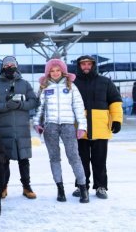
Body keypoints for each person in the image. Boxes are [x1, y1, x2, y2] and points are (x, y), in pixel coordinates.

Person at [33, 59, 89, 203]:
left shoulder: (71, 86)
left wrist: (82, 126)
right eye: (52, 71)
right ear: (48, 73)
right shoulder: (44, 87)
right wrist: (36, 123)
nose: (55, 73)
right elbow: (40, 108)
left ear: (63, 71)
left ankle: (83, 189)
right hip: (50, 126)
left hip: (68, 126)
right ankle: (60, 189)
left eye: (58, 70)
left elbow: (78, 107)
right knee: (54, 158)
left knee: (74, 157)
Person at [0, 56, 38, 199]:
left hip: (22, 130)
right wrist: (5, 106)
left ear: (17, 66)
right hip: (3, 129)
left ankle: (26, 187)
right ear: (2, 67)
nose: (9, 66)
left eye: (12, 64)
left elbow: (34, 101)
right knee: (4, 160)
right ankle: (3, 186)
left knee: (24, 159)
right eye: (6, 64)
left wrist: (21, 105)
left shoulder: (25, 84)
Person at [72, 55, 123, 199]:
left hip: (101, 128)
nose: (86, 66)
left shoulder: (105, 82)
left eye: (89, 64)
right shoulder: (73, 82)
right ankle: (81, 186)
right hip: (80, 129)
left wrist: (117, 120)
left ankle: (101, 187)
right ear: (79, 66)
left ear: (93, 65)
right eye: (83, 64)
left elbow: (115, 102)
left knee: (99, 160)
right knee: (81, 160)